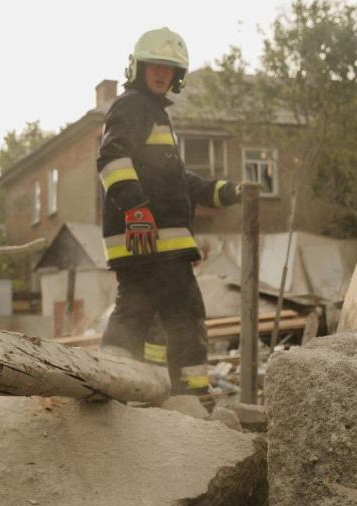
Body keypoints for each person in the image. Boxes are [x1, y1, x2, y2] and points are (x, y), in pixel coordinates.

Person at [97, 28, 242, 395]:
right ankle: (190, 397)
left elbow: (175, 180)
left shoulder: (154, 114)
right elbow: (112, 157)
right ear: (139, 69)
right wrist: (137, 210)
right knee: (183, 315)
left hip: (151, 240)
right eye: (154, 67)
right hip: (148, 237)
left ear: (177, 77)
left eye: (169, 69)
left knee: (139, 314)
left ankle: (119, 385)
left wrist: (221, 192)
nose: (161, 74)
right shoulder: (133, 106)